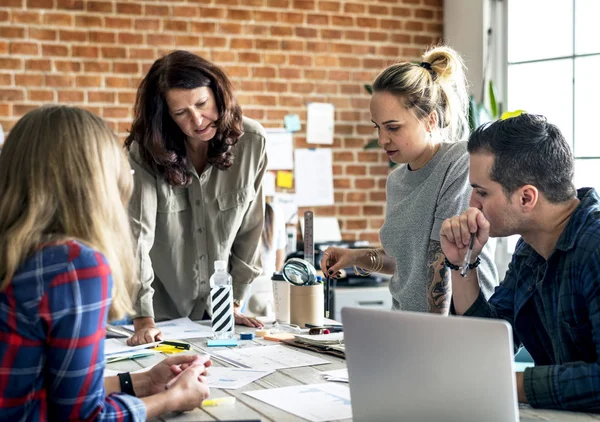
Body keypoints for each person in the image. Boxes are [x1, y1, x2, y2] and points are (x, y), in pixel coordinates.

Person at [0, 106, 211, 420]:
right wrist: (171, 399)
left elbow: (39, 387)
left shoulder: (18, 252)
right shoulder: (73, 265)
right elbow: (84, 416)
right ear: (96, 182)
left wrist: (143, 380)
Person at [440, 113, 600, 411]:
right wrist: (463, 263)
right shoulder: (529, 249)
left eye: (482, 192)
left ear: (527, 198)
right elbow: (487, 349)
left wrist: (505, 383)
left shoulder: (594, 248)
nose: (472, 203)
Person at [321, 46, 497, 315]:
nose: (382, 140)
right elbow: (406, 262)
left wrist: (427, 338)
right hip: (408, 327)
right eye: (377, 127)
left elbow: (442, 262)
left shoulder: (460, 161)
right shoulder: (397, 181)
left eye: (393, 127)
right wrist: (354, 257)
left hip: (458, 330)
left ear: (430, 120)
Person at [125, 50, 265, 346]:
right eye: (181, 113)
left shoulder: (252, 142)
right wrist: (143, 319)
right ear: (166, 117)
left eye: (202, 104)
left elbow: (251, 230)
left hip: (221, 314)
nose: (197, 119)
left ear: (218, 93)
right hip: (162, 318)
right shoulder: (145, 153)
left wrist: (235, 301)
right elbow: (137, 237)